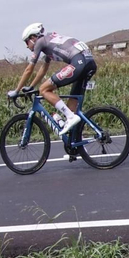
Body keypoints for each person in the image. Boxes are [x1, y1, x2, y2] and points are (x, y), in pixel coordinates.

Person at [9, 24, 95, 158]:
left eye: (26, 42)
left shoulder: (40, 42)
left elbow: (29, 69)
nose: (27, 46)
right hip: (88, 62)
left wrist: (16, 90)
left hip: (79, 62)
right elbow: (43, 68)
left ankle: (70, 117)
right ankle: (77, 147)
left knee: (44, 89)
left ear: (33, 37)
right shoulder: (48, 41)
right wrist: (31, 86)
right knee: (72, 108)